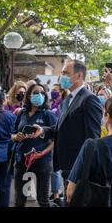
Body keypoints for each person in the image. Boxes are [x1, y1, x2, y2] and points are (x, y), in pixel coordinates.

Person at [31, 60, 102, 198]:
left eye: (65, 73)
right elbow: (62, 126)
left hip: (78, 167)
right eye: (62, 72)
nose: (61, 76)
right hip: (66, 165)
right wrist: (43, 130)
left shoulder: (89, 99)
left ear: (79, 76)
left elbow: (93, 139)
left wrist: (84, 170)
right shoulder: (68, 99)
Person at [12, 83, 57, 207]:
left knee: (43, 200)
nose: (39, 95)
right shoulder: (22, 113)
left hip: (42, 162)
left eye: (42, 93)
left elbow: (56, 139)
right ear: (29, 96)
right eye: (36, 93)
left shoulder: (48, 115)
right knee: (19, 200)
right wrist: (16, 137)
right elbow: (12, 133)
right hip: (22, 160)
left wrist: (42, 153)